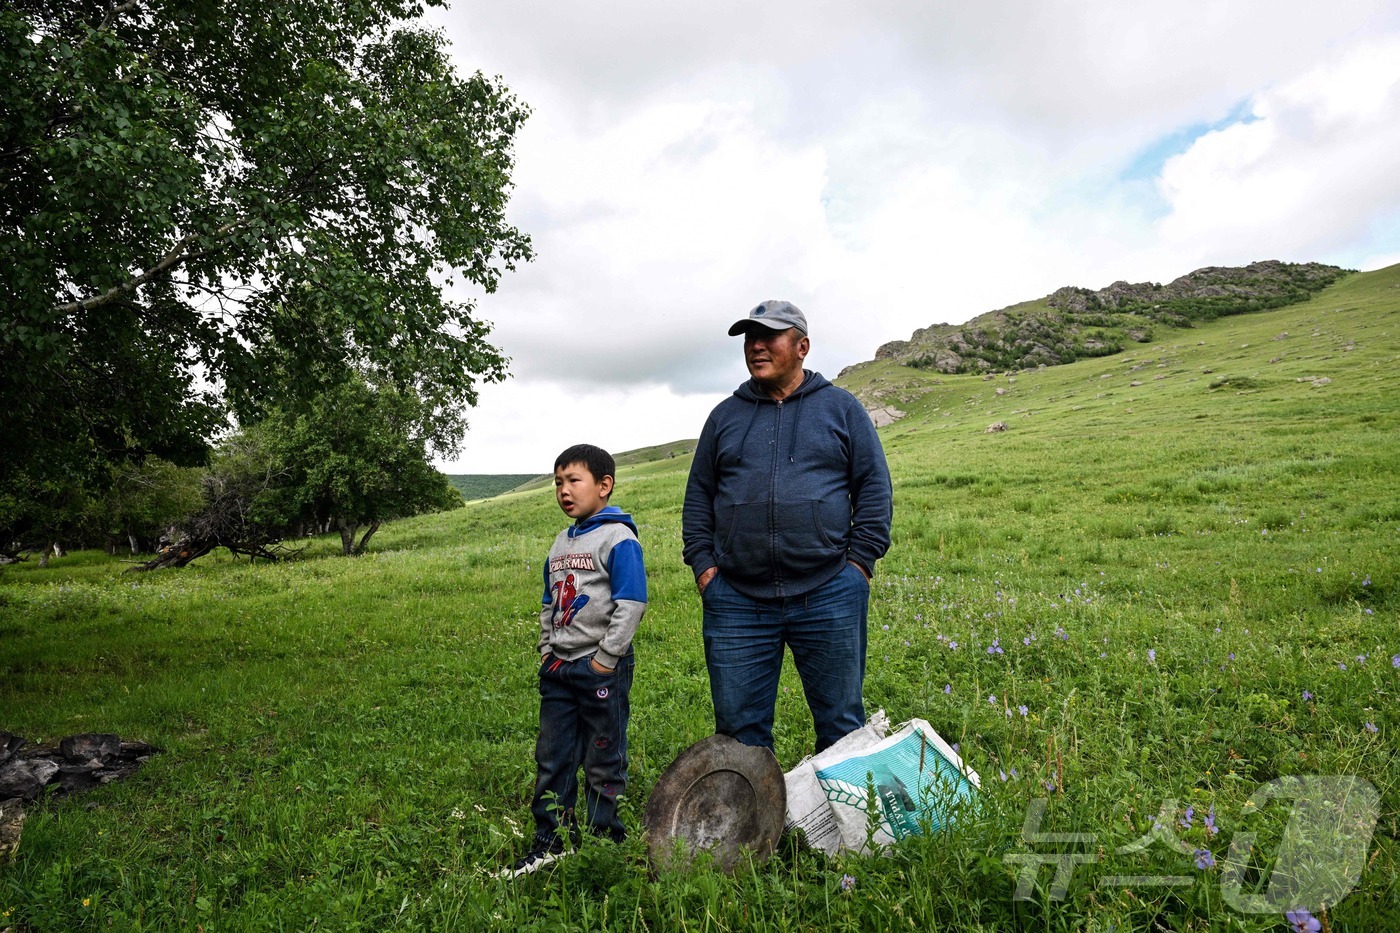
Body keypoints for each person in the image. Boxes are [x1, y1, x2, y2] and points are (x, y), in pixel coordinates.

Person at [682, 300, 892, 755]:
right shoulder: (724, 416)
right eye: (749, 337)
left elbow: (874, 485)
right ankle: (755, 829)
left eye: (768, 336)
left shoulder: (840, 408)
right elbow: (699, 496)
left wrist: (859, 565)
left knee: (842, 728)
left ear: (802, 346)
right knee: (740, 737)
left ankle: (846, 827)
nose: (755, 346)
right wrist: (705, 568)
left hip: (830, 590)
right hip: (736, 599)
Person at [504, 444, 648, 877]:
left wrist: (606, 659)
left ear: (604, 486)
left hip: (601, 668)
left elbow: (632, 603)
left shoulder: (618, 538)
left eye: (574, 480)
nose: (564, 491)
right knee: (553, 757)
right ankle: (551, 842)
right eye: (557, 483)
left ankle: (607, 845)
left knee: (603, 757)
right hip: (560, 670)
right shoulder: (560, 541)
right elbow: (550, 602)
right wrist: (547, 650)